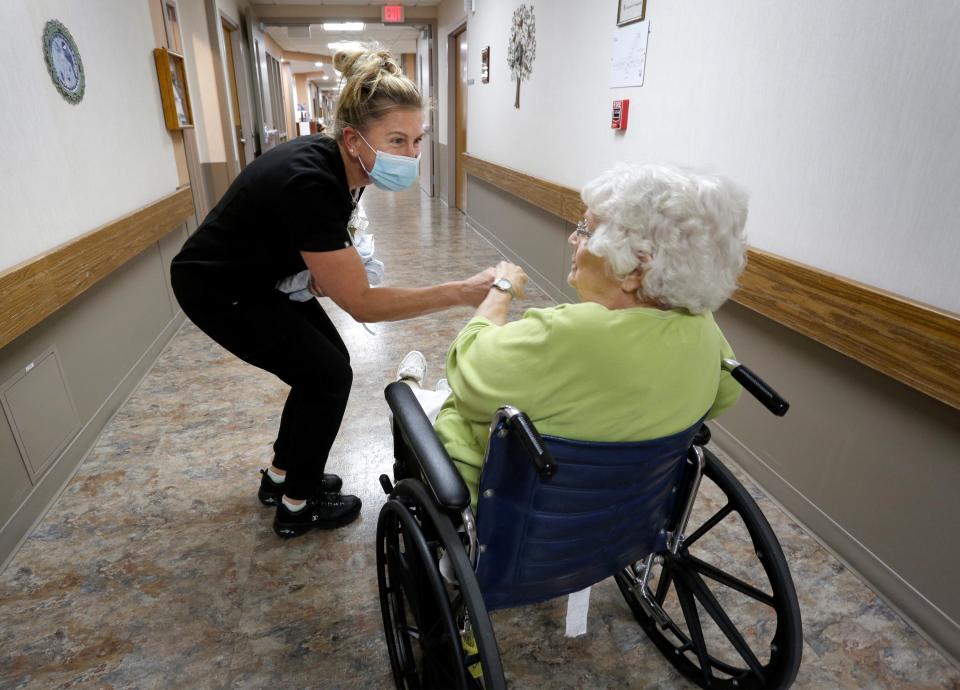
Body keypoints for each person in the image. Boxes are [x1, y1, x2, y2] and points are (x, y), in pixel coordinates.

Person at [170, 46, 495, 538]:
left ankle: (281, 478)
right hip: (218, 288)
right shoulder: (310, 180)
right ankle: (298, 507)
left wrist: (323, 263)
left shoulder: (351, 169)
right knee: (326, 376)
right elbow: (362, 303)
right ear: (353, 138)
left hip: (260, 276)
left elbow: (319, 242)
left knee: (326, 363)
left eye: (417, 140)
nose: (411, 155)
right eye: (397, 140)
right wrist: (459, 291)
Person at [395, 163, 748, 507]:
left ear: (636, 268)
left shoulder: (572, 335)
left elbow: (467, 372)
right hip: (624, 510)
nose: (573, 238)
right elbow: (723, 396)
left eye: (587, 231)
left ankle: (411, 386)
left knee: (416, 400)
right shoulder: (705, 329)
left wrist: (501, 290)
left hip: (512, 504)